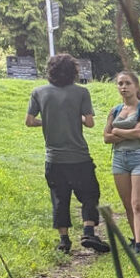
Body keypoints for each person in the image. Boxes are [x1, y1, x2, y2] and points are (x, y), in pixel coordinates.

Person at [25, 54, 111, 254]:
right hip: (79, 156)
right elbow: (89, 122)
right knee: (90, 194)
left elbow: (29, 121)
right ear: (74, 71)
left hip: (54, 159)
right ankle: (88, 231)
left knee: (59, 198)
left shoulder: (38, 92)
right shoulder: (81, 92)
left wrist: (45, 121)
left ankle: (64, 241)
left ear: (51, 70)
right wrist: (77, 118)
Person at [104, 71, 140, 253]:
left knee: (138, 203)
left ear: (136, 86)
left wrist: (117, 132)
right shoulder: (115, 110)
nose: (123, 87)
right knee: (128, 204)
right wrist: (125, 134)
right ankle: (135, 239)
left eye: (127, 83)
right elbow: (106, 137)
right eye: (120, 84)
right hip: (120, 159)